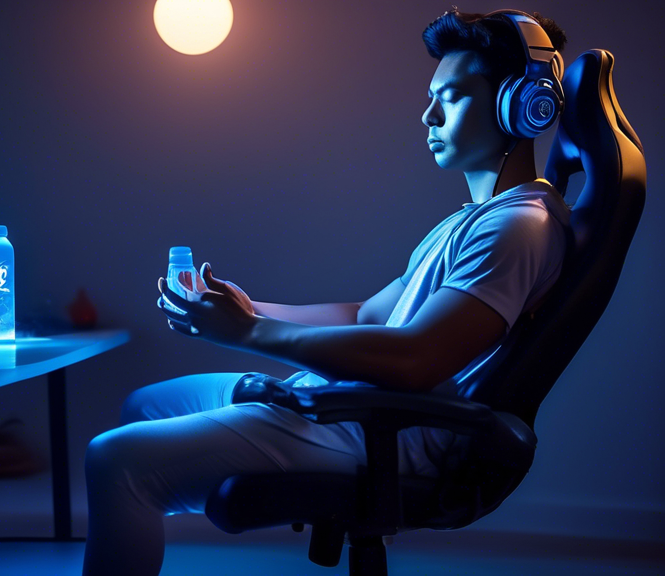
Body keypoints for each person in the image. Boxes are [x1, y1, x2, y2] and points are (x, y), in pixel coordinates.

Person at [82, 8, 571, 576]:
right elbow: (367, 313)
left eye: (454, 97)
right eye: (432, 95)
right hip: (344, 405)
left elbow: (417, 360)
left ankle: (152, 487)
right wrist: (247, 308)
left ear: (522, 107)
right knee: (143, 408)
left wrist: (250, 333)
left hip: (381, 429)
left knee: (115, 460)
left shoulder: (516, 229)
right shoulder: (478, 219)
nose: (428, 114)